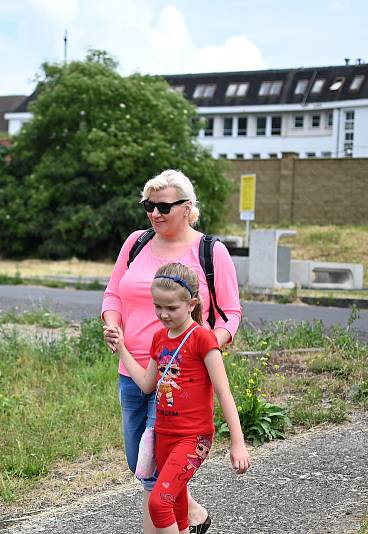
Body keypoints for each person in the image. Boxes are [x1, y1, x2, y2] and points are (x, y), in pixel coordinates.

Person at [102, 169, 242, 533]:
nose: (155, 213)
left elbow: (231, 313)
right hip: (134, 371)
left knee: (155, 479)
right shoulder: (136, 243)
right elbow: (113, 293)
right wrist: (112, 323)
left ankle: (171, 523)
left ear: (188, 207)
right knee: (140, 463)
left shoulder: (211, 251)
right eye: (149, 206)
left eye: (164, 206)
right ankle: (193, 515)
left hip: (182, 377)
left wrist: (204, 345)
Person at [108, 262, 251, 533]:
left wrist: (238, 443)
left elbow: (224, 392)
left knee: (159, 503)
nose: (163, 314)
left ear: (191, 303)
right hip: (164, 435)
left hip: (193, 438)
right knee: (177, 508)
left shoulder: (203, 340)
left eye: (171, 308)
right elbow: (147, 384)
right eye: (157, 307)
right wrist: (122, 348)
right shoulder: (159, 338)